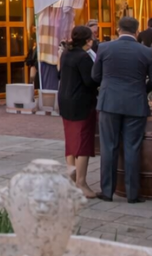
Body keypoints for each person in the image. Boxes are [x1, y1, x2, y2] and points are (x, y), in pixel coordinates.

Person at [92, 16, 152, 203]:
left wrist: (107, 85)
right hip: (135, 103)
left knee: (108, 147)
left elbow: (95, 76)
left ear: (118, 29)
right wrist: (142, 90)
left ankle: (107, 191)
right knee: (132, 147)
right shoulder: (146, 51)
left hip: (109, 102)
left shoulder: (104, 48)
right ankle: (132, 193)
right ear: (137, 31)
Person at [59, 25, 100, 198]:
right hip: (81, 103)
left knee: (71, 142)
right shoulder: (83, 57)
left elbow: (60, 75)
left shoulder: (66, 53)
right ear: (87, 41)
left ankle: (71, 179)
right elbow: (90, 81)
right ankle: (81, 183)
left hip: (65, 101)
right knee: (83, 143)